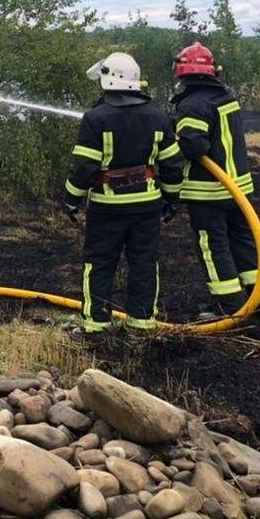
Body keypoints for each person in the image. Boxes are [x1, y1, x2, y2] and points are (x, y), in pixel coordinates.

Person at [63, 52, 184, 333]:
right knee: (144, 264)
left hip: (107, 207)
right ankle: (141, 325)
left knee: (99, 263)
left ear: (108, 80)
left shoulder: (95, 118)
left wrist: (71, 199)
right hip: (147, 207)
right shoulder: (158, 117)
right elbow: (173, 165)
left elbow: (84, 168)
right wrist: (171, 198)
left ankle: (96, 327)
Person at [170, 42, 260, 317]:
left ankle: (230, 306)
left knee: (213, 246)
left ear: (182, 72)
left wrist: (173, 138)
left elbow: (194, 146)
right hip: (239, 188)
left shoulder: (192, 105)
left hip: (209, 192)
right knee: (245, 241)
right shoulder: (225, 97)